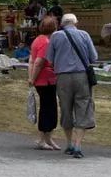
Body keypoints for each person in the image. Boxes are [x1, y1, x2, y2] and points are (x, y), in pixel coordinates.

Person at [47, 13, 97, 158]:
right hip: (82, 76)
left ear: (62, 23)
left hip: (62, 77)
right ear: (76, 23)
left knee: (66, 108)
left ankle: (69, 143)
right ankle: (78, 145)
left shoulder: (56, 36)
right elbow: (94, 57)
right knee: (83, 107)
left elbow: (49, 59)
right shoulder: (84, 35)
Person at [27, 16, 60, 150]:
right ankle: (41, 139)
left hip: (45, 79)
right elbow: (39, 62)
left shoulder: (38, 40)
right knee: (47, 109)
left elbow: (31, 60)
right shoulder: (46, 42)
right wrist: (33, 79)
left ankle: (48, 138)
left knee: (51, 108)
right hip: (45, 80)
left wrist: (31, 77)